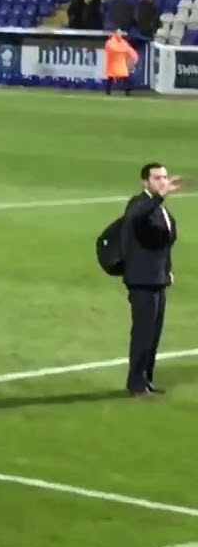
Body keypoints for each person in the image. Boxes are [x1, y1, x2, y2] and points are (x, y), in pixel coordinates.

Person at [122, 163, 181, 397]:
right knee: (143, 333)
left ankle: (146, 380)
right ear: (145, 182)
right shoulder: (138, 204)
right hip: (141, 280)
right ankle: (136, 383)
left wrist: (168, 270)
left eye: (165, 177)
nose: (162, 181)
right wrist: (159, 197)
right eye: (157, 178)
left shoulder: (161, 210)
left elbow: (163, 246)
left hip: (157, 279)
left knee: (154, 334)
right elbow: (137, 217)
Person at [105, 30, 139, 96]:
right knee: (113, 77)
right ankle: (109, 90)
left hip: (118, 62)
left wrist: (133, 57)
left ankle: (126, 90)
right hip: (114, 62)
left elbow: (128, 50)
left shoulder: (121, 42)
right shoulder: (111, 43)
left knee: (121, 76)